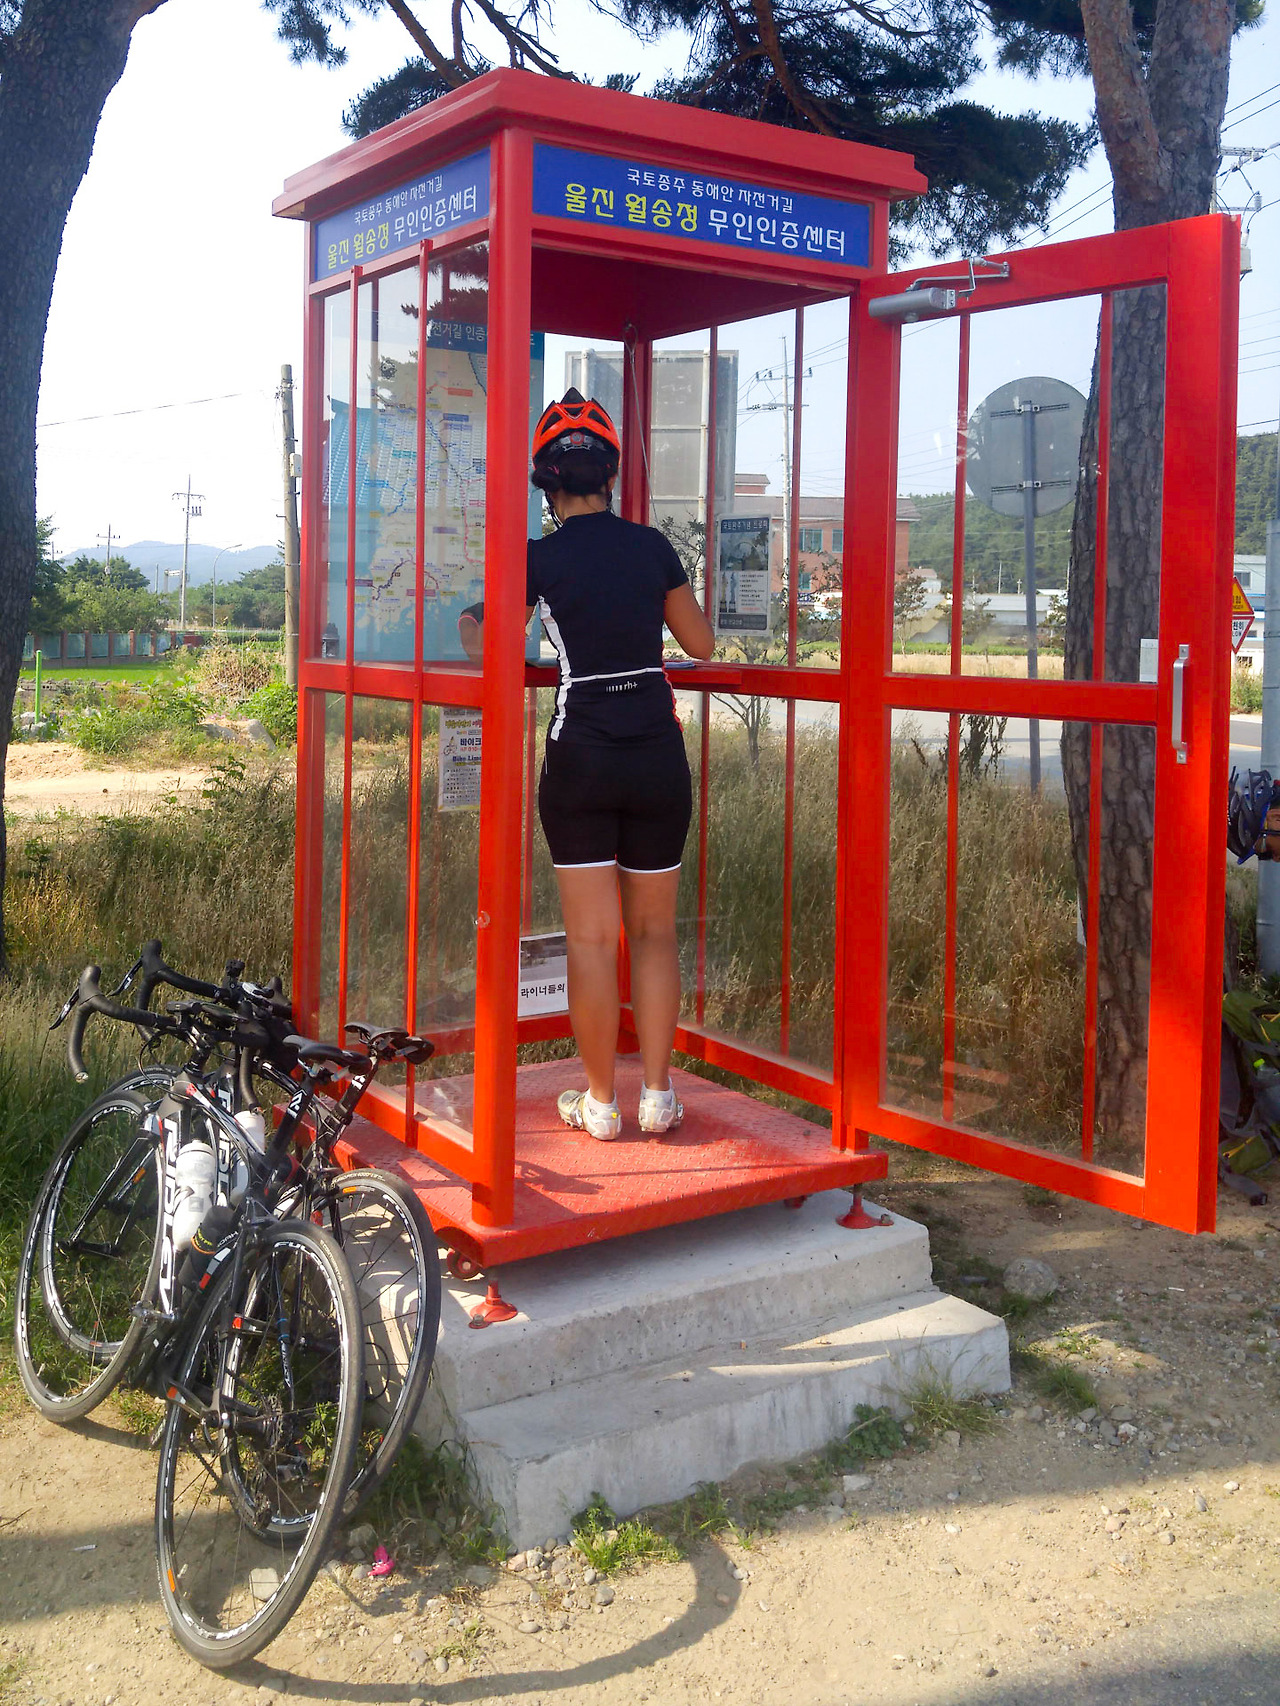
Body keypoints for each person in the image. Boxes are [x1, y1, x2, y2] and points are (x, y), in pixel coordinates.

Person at [458, 388, 714, 1139]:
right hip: (657, 755)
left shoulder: (538, 557)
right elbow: (699, 644)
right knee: (656, 933)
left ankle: (600, 1103)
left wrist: (473, 621)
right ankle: (659, 1097)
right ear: (610, 474)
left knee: (593, 940)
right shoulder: (652, 547)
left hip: (582, 759)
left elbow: (493, 645)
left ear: (547, 480)